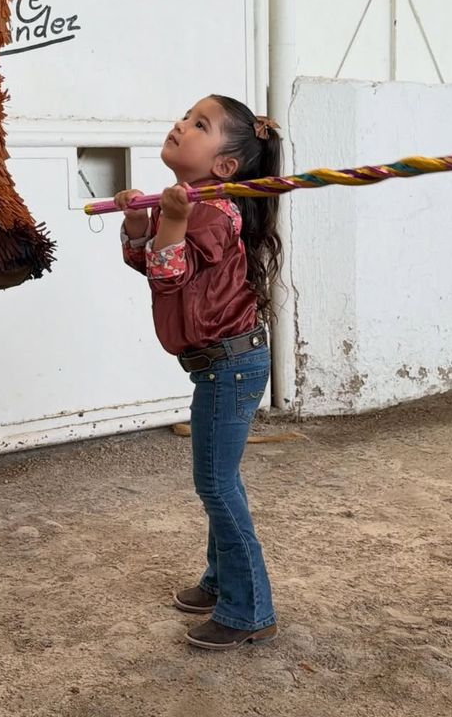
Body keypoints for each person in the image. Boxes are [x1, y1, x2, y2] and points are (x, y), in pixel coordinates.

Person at [115, 94, 283, 651]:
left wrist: (174, 221)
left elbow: (169, 275)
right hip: (217, 365)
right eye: (187, 117)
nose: (180, 125)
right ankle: (219, 581)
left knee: (215, 482)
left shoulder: (213, 211)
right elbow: (147, 262)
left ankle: (249, 609)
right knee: (219, 477)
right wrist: (140, 223)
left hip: (232, 364)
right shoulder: (185, 203)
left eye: (199, 125)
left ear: (225, 167)